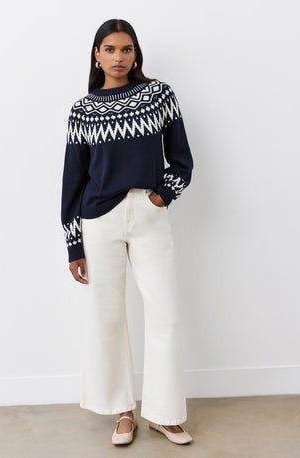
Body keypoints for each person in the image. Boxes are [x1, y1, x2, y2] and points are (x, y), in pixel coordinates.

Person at [60, 18, 194, 446]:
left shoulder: (159, 96)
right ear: (96, 55)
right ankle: (123, 412)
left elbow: (182, 159)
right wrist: (74, 244)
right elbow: (73, 179)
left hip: (148, 212)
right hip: (99, 220)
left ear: (136, 54)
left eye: (126, 49)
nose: (118, 57)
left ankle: (164, 413)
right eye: (110, 49)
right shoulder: (83, 111)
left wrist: (161, 197)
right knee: (108, 316)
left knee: (165, 312)